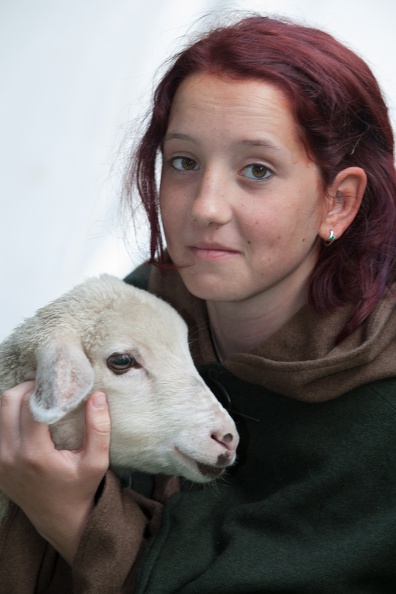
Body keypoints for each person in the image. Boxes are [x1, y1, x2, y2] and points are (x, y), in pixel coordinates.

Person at [1, 13, 396, 593]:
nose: (205, 207)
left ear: (337, 203)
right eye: (183, 162)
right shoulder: (122, 318)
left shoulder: (384, 409)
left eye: (256, 170)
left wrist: (72, 516)